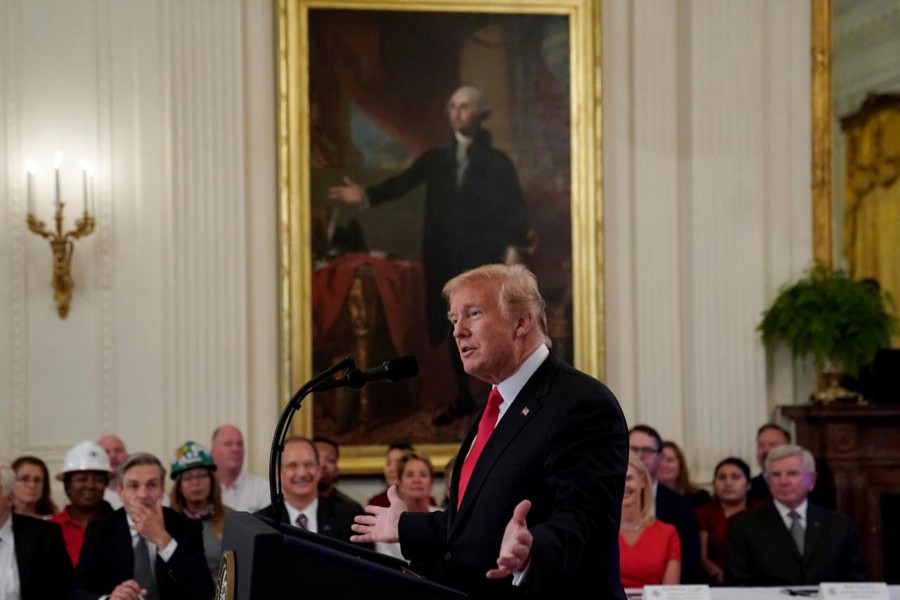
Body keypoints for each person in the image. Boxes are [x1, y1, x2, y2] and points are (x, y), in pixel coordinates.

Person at [350, 263, 629, 599]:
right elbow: (477, 522)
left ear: (521, 322)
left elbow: (584, 521)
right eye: (454, 320)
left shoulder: (581, 403)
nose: (458, 331)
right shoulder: (498, 406)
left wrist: (532, 550)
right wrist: (404, 526)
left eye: (474, 314)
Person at [329, 85, 529, 426]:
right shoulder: (437, 158)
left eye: (465, 107)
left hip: (483, 261)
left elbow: (514, 210)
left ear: (481, 114)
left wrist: (512, 252)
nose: (456, 113)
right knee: (456, 328)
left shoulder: (497, 163)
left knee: (489, 328)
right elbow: (403, 182)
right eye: (452, 106)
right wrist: (364, 195)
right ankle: (465, 398)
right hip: (445, 260)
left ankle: (496, 400)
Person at [71, 452, 215, 600]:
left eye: (152, 485)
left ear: (162, 490)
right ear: (121, 492)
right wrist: (109, 599)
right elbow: (77, 592)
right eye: (134, 486)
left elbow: (205, 591)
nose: (143, 494)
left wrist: (163, 540)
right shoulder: (101, 530)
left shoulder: (186, 528)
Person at [726, 444, 867, 586]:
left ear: (811, 480)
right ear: (768, 481)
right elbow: (738, 585)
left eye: (792, 473)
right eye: (775, 475)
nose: (783, 482)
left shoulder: (840, 526)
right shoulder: (743, 526)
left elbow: (856, 582)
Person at [255, 436, 371, 548]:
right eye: (292, 466)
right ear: (277, 474)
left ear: (319, 470)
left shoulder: (349, 516)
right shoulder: (261, 522)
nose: (302, 473)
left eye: (308, 464)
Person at [628, 424, 702, 583]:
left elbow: (690, 562)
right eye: (633, 449)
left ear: (660, 457)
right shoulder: (604, 501)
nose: (640, 456)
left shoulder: (682, 506)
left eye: (647, 451)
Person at [0, 461, 73, 600]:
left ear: (10, 498)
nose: (32, 485)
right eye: (25, 478)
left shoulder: (45, 535)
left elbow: (65, 590)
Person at [169, 441, 231, 579]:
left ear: (212, 480)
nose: (196, 483)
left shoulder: (231, 519)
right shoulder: (166, 521)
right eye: (188, 477)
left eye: (202, 475)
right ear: (178, 485)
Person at [619, 452, 681, 588]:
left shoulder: (667, 533)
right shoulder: (599, 533)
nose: (623, 485)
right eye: (617, 479)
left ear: (643, 481)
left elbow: (669, 593)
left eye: (628, 478)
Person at [49, 441, 115, 566]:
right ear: (68, 484)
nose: (90, 486)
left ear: (106, 484)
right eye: (82, 479)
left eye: (98, 480)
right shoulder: (49, 529)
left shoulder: (120, 526)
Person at [695, 457, 756, 585]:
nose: (728, 483)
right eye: (722, 478)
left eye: (735, 477)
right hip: (716, 582)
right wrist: (720, 575)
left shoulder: (760, 511)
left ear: (749, 485)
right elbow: (703, 557)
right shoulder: (704, 513)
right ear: (714, 483)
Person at [375, 452, 440, 561]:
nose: (417, 480)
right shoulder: (386, 521)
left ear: (431, 482)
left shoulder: (445, 518)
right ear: (399, 482)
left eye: (423, 474)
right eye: (409, 475)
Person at [210, 424, 270, 512]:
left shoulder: (263, 489)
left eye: (240, 444)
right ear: (213, 451)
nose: (236, 449)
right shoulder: (202, 488)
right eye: (228, 444)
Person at [314, 435, 363, 510]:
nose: (323, 465)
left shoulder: (351, 509)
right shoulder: (291, 505)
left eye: (330, 460)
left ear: (337, 470)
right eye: (316, 458)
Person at [658, 441, 711, 508]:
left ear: (680, 465)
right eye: (659, 459)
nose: (663, 465)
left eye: (670, 460)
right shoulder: (643, 499)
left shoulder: (700, 498)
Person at [365, 441, 414, 508]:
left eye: (398, 463)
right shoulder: (376, 503)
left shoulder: (424, 501)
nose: (391, 470)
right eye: (388, 463)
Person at [97, 434, 129, 509]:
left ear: (127, 455)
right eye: (106, 451)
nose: (113, 456)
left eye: (118, 450)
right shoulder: (90, 496)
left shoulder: (141, 492)